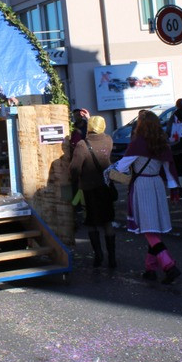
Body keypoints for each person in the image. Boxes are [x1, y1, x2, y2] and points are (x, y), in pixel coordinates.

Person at [116, 110, 181, 283]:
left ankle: (169, 265)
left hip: (143, 186)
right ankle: (150, 268)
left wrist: (110, 171)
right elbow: (168, 168)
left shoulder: (137, 144)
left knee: (148, 230)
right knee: (152, 228)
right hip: (157, 185)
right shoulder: (162, 143)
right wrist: (174, 188)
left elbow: (121, 168)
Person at [69, 115, 116, 268]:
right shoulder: (108, 140)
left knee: (91, 222)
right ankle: (112, 257)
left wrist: (74, 179)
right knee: (107, 222)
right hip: (106, 186)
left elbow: (75, 168)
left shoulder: (82, 145)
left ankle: (98, 255)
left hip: (89, 189)